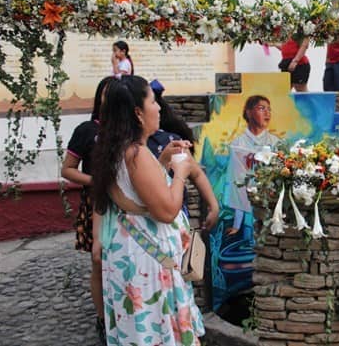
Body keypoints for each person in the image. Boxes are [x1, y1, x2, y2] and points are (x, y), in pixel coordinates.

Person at [91, 75, 205, 345]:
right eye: (153, 101)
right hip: (149, 265)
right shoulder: (136, 154)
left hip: (134, 256)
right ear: (138, 113)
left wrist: (162, 161)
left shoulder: (119, 149)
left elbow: (138, 193)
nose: (159, 108)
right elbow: (165, 211)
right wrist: (181, 172)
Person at [61, 75, 116, 344]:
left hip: (127, 206)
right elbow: (67, 169)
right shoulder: (86, 130)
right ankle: (103, 318)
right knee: (99, 263)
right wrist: (97, 181)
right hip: (97, 203)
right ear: (100, 97)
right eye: (108, 93)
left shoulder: (131, 129)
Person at [148, 79, 219, 229]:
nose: (159, 108)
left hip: (175, 220)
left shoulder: (170, 140)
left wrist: (213, 205)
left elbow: (196, 174)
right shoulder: (128, 148)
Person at [225, 95, 279, 235]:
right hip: (248, 213)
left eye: (269, 109)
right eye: (261, 108)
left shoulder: (276, 143)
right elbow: (237, 183)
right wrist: (237, 225)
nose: (267, 113)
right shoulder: (238, 144)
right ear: (248, 112)